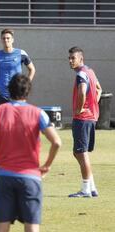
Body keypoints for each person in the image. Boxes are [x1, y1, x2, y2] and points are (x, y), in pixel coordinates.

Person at [0, 74, 61, 232]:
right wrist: (46, 165)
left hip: (4, 177)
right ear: (28, 91)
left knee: (1, 228)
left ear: (9, 91)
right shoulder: (38, 113)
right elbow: (57, 142)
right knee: (32, 228)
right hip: (31, 178)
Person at [67, 46, 102, 198]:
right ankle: (92, 187)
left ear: (81, 59)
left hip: (83, 118)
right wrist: (93, 104)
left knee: (81, 153)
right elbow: (99, 89)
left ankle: (86, 189)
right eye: (69, 58)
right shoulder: (91, 72)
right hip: (92, 117)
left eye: (73, 58)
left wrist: (80, 108)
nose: (70, 61)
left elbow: (82, 91)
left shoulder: (81, 74)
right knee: (79, 152)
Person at [0, 29, 36, 106]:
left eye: (8, 38)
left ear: (12, 40)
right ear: (1, 40)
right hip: (1, 94)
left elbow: (32, 69)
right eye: (4, 38)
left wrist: (25, 85)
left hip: (17, 94)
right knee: (1, 117)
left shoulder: (21, 53)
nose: (6, 40)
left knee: (17, 117)